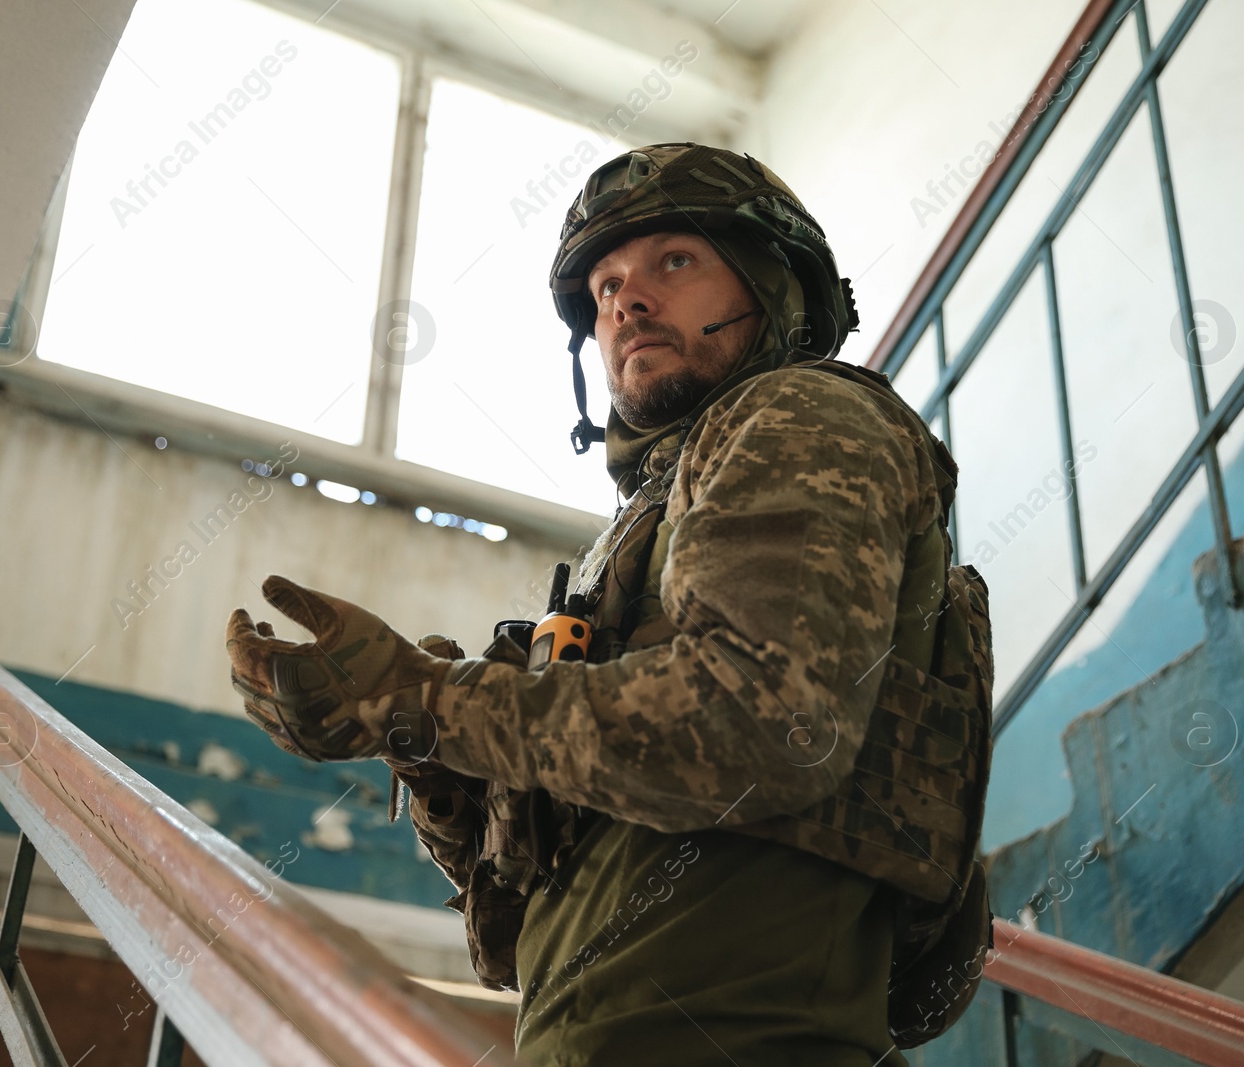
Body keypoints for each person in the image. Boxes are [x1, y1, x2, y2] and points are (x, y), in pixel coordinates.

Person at [226, 142, 994, 1066]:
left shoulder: (798, 415)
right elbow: (519, 918)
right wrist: (421, 746)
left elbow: (759, 721)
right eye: (605, 287)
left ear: (772, 281)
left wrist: (424, 698)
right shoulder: (635, 541)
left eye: (674, 262)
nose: (627, 300)